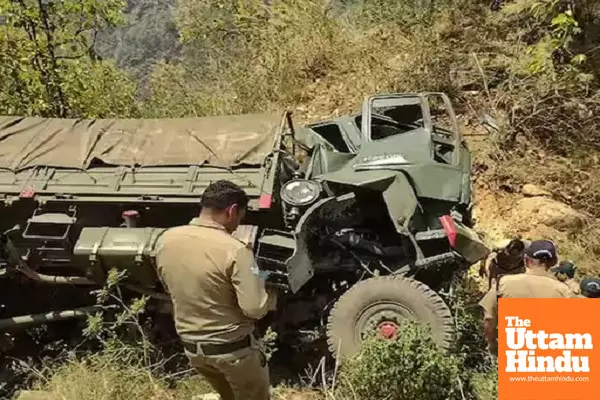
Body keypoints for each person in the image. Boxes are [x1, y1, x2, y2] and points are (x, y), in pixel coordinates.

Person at [155, 180, 277, 400]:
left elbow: (170, 286)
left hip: (193, 349)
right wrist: (269, 290)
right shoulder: (236, 250)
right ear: (232, 211)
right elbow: (254, 308)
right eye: (240, 217)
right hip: (233, 351)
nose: (238, 224)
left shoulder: (165, 240)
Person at [479, 239, 575, 353]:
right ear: (554, 262)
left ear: (526, 260)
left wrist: (492, 344)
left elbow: (489, 319)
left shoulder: (503, 283)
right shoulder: (565, 292)